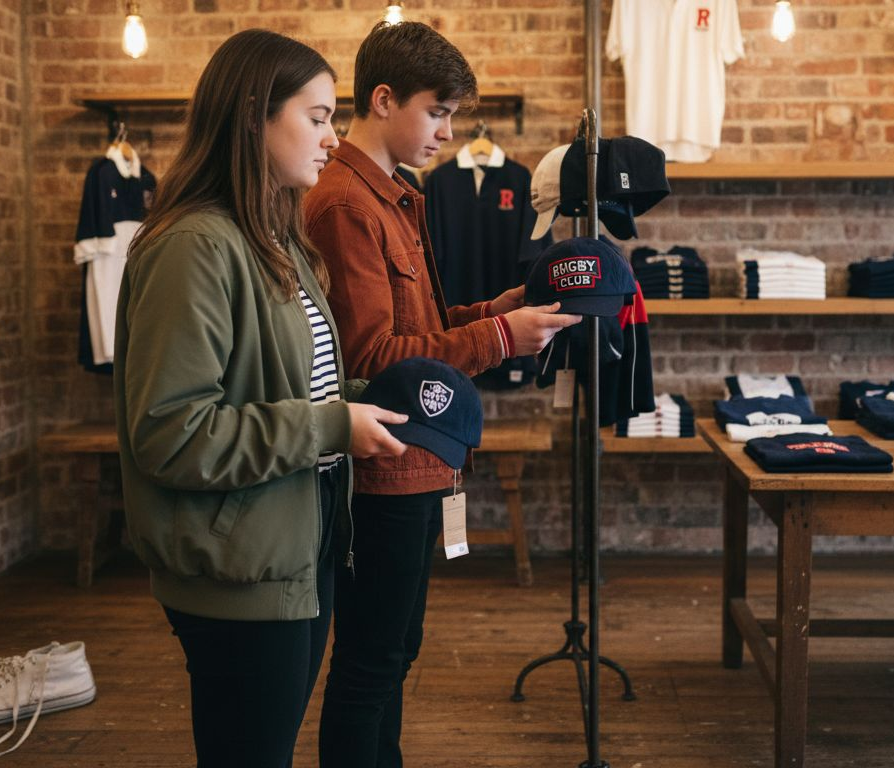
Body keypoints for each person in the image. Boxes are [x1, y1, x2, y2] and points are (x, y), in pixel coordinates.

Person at [113, 29, 409, 768]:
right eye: (316, 117)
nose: (332, 137)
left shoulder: (271, 240)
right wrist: (334, 424)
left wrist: (392, 398)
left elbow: (292, 384)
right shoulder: (194, 246)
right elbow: (173, 433)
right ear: (254, 117)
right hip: (235, 569)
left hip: (292, 552)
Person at [303, 21, 580, 768]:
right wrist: (498, 340)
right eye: (438, 112)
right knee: (372, 659)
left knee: (394, 651)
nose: (449, 132)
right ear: (385, 99)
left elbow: (422, 329)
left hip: (417, 460)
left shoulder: (397, 198)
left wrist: (507, 308)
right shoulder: (345, 206)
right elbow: (374, 360)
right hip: (382, 465)